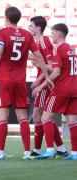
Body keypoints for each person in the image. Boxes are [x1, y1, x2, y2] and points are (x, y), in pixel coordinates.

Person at [0, 6, 53, 160]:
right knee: (23, 118)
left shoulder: (3, 32)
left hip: (4, 80)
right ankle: (27, 153)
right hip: (20, 81)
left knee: (3, 116)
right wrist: (47, 75)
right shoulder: (27, 35)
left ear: (6, 18)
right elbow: (38, 56)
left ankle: (0, 152)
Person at [32, 23, 77, 160]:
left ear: (58, 34)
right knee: (72, 121)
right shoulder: (71, 48)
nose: (51, 36)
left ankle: (50, 150)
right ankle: (74, 153)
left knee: (45, 117)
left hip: (62, 88)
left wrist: (41, 86)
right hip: (74, 88)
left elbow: (56, 72)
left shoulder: (58, 49)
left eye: (52, 33)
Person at [28, 16, 67, 159]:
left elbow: (51, 67)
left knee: (39, 115)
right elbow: (43, 64)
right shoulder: (38, 42)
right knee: (44, 117)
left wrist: (39, 81)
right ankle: (61, 149)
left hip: (47, 84)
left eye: (31, 26)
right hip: (43, 82)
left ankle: (40, 149)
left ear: (38, 28)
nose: (29, 28)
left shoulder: (44, 41)